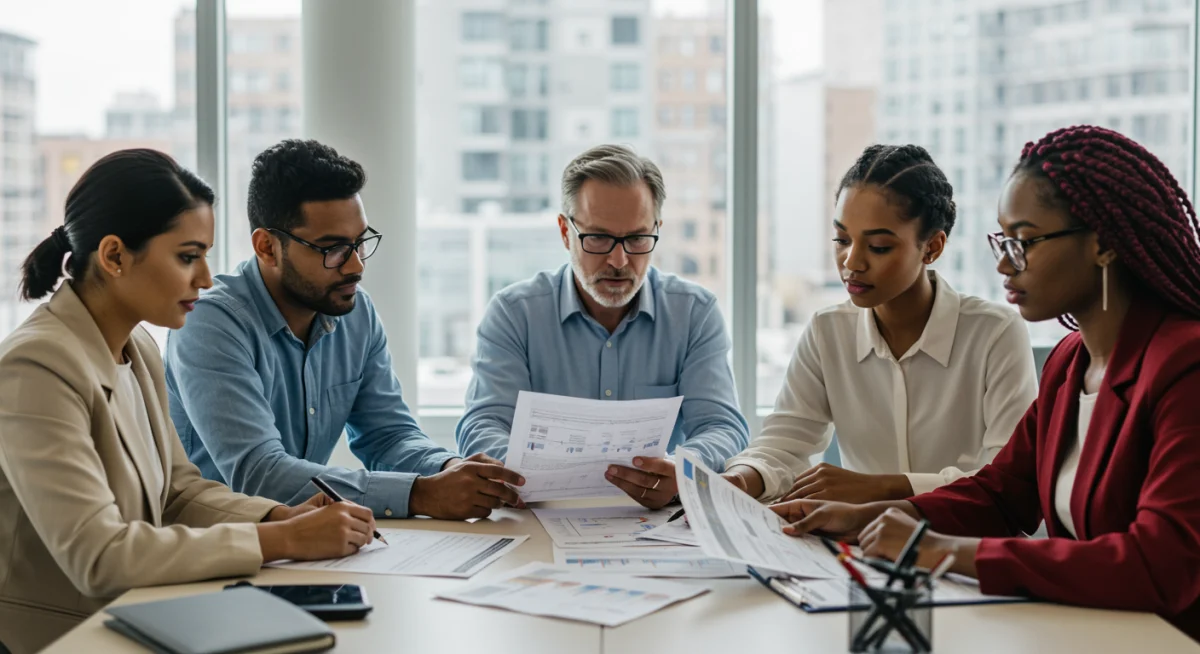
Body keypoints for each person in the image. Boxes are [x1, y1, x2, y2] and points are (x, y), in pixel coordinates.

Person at [777, 126, 1200, 639]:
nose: (1003, 262)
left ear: (1104, 245)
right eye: (1002, 240)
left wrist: (940, 551)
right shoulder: (1071, 361)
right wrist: (866, 515)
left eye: (1023, 242)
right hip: (1091, 633)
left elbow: (1161, 564)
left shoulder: (1185, 364)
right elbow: (1002, 494)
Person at [0, 150, 375, 654]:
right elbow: (100, 557)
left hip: (141, 618)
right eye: (187, 256)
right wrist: (282, 542)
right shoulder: (36, 366)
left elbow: (177, 492)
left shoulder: (138, 348)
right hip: (57, 638)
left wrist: (276, 518)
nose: (204, 278)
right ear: (114, 257)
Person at [165, 140, 523, 521]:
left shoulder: (356, 312)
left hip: (306, 547)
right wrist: (420, 494)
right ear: (267, 247)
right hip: (216, 554)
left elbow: (388, 436)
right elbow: (259, 473)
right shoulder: (210, 321)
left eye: (360, 243)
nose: (356, 267)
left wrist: (447, 469)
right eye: (332, 249)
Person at [723, 144, 1038, 504]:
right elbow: (783, 445)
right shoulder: (828, 331)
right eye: (842, 240)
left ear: (932, 247)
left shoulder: (995, 333)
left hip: (963, 550)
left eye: (878, 246)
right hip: (858, 547)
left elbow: (1006, 479)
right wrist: (738, 481)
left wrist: (881, 487)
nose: (850, 262)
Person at [456, 144, 749, 509]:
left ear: (657, 230)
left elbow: (723, 427)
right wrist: (525, 474)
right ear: (565, 232)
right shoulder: (515, 314)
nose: (618, 259)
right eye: (598, 238)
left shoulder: (694, 313)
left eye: (637, 238)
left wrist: (682, 470)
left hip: (652, 522)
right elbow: (483, 425)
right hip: (538, 516)